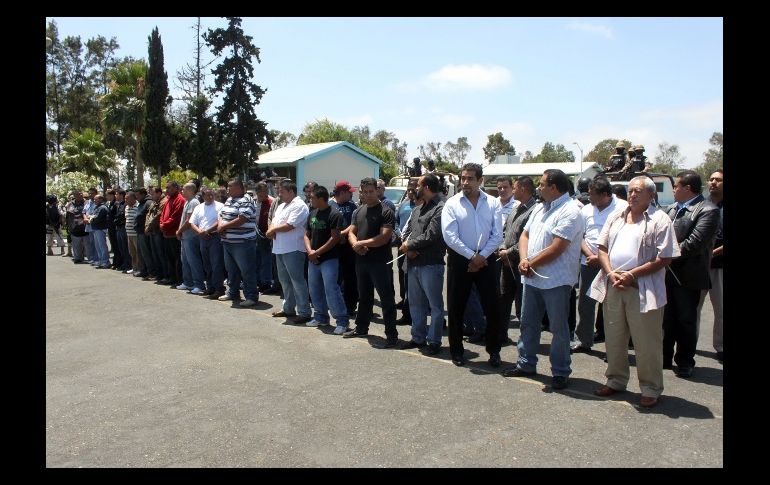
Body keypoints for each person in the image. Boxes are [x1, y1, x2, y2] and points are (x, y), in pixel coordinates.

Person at [588, 176, 680, 408]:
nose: (633, 195)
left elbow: (665, 257)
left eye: (638, 191)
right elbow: (602, 248)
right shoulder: (616, 216)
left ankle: (650, 388)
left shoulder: (660, 219)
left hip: (642, 288)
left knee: (646, 341)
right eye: (630, 191)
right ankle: (616, 380)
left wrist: (632, 275)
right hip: (614, 284)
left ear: (651, 195)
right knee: (614, 338)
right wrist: (611, 273)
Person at [503, 169, 584, 390]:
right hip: (531, 278)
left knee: (558, 328)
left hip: (556, 280)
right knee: (528, 323)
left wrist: (530, 263)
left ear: (554, 188)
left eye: (541, 184)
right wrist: (524, 260)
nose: (538, 188)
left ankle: (560, 371)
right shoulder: (540, 207)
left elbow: (558, 247)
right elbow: (525, 235)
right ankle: (526, 363)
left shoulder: (571, 211)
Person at [441, 162, 504, 367]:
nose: (465, 182)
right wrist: (471, 257)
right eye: (463, 178)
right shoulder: (452, 204)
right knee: (456, 307)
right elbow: (450, 236)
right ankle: (457, 351)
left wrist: (481, 257)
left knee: (492, 307)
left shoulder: (493, 203)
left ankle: (494, 351)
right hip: (460, 260)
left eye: (470, 178)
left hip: (487, 259)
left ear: (480, 180)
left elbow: (497, 235)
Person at [662, 170, 719, 378]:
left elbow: (695, 243)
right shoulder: (671, 209)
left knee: (686, 319)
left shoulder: (708, 210)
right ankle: (664, 357)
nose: (673, 190)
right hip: (666, 273)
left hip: (689, 275)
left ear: (687, 188)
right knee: (666, 319)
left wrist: (665, 255)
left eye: (676, 186)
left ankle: (685, 361)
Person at [572, 176, 627, 353]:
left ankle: (614, 349)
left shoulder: (623, 208)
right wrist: (591, 255)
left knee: (612, 307)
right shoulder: (586, 210)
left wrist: (602, 258)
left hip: (613, 265)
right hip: (588, 263)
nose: (589, 198)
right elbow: (579, 236)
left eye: (592, 194)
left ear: (604, 194)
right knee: (585, 304)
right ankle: (583, 340)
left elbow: (625, 238)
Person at [342, 177, 399, 348]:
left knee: (386, 299)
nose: (368, 195)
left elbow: (384, 237)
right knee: (364, 297)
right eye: (365, 192)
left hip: (380, 262)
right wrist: (355, 245)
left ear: (377, 191)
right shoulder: (359, 211)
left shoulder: (386, 211)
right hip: (362, 261)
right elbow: (351, 232)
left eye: (371, 191)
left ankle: (391, 335)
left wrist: (361, 243)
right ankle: (361, 328)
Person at [399, 173, 447, 355]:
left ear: (426, 187)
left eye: (418, 185)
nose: (415, 189)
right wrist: (407, 247)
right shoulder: (418, 209)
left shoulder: (441, 209)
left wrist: (410, 245)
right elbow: (408, 232)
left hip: (431, 264)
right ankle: (418, 337)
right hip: (413, 263)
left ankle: (434, 340)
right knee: (415, 304)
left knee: (435, 306)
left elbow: (432, 234)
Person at [304, 185, 349, 332]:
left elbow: (334, 238)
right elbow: (306, 235)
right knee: (314, 288)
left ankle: (342, 321)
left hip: (329, 259)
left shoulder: (334, 214)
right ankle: (321, 317)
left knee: (331, 289)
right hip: (313, 259)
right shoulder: (312, 213)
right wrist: (310, 251)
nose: (310, 199)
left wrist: (317, 253)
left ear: (321, 199)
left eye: (312, 197)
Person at [267, 180, 312, 322]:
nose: (279, 194)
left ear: (291, 191)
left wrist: (272, 230)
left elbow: (290, 225)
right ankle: (288, 308)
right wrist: (271, 229)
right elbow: (273, 221)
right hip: (279, 248)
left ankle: (304, 312)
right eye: (278, 191)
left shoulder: (299, 205)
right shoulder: (281, 206)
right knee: (284, 281)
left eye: (281, 192)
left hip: (294, 248)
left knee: (297, 281)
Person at [217, 179, 260, 307]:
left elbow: (242, 219)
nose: (227, 189)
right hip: (228, 242)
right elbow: (221, 215)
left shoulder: (246, 200)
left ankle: (251, 296)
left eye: (230, 187)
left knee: (247, 270)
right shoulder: (230, 200)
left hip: (243, 242)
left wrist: (224, 227)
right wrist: (220, 226)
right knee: (231, 270)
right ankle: (233, 292)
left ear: (239, 188)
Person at [696, 169, 723, 364]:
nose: (713, 182)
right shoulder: (701, 205)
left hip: (719, 267)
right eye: (711, 179)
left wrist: (712, 253)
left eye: (718, 180)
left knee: (720, 309)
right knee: (693, 308)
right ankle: (689, 345)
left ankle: (720, 347)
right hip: (698, 266)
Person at [190, 187, 226, 299]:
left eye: (212, 194)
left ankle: (219, 288)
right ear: (203, 196)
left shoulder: (220, 206)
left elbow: (220, 221)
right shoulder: (199, 208)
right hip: (202, 238)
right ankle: (210, 287)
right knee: (207, 264)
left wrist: (207, 231)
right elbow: (192, 223)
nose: (210, 197)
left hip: (215, 237)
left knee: (216, 264)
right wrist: (200, 232)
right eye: (207, 195)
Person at [329, 180, 359, 316]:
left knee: (350, 278)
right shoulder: (330, 205)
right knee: (335, 277)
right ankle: (335, 305)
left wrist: (342, 234)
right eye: (349, 192)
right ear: (342, 193)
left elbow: (354, 223)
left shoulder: (352, 205)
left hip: (348, 248)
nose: (351, 195)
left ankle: (350, 306)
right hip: (333, 248)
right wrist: (336, 235)